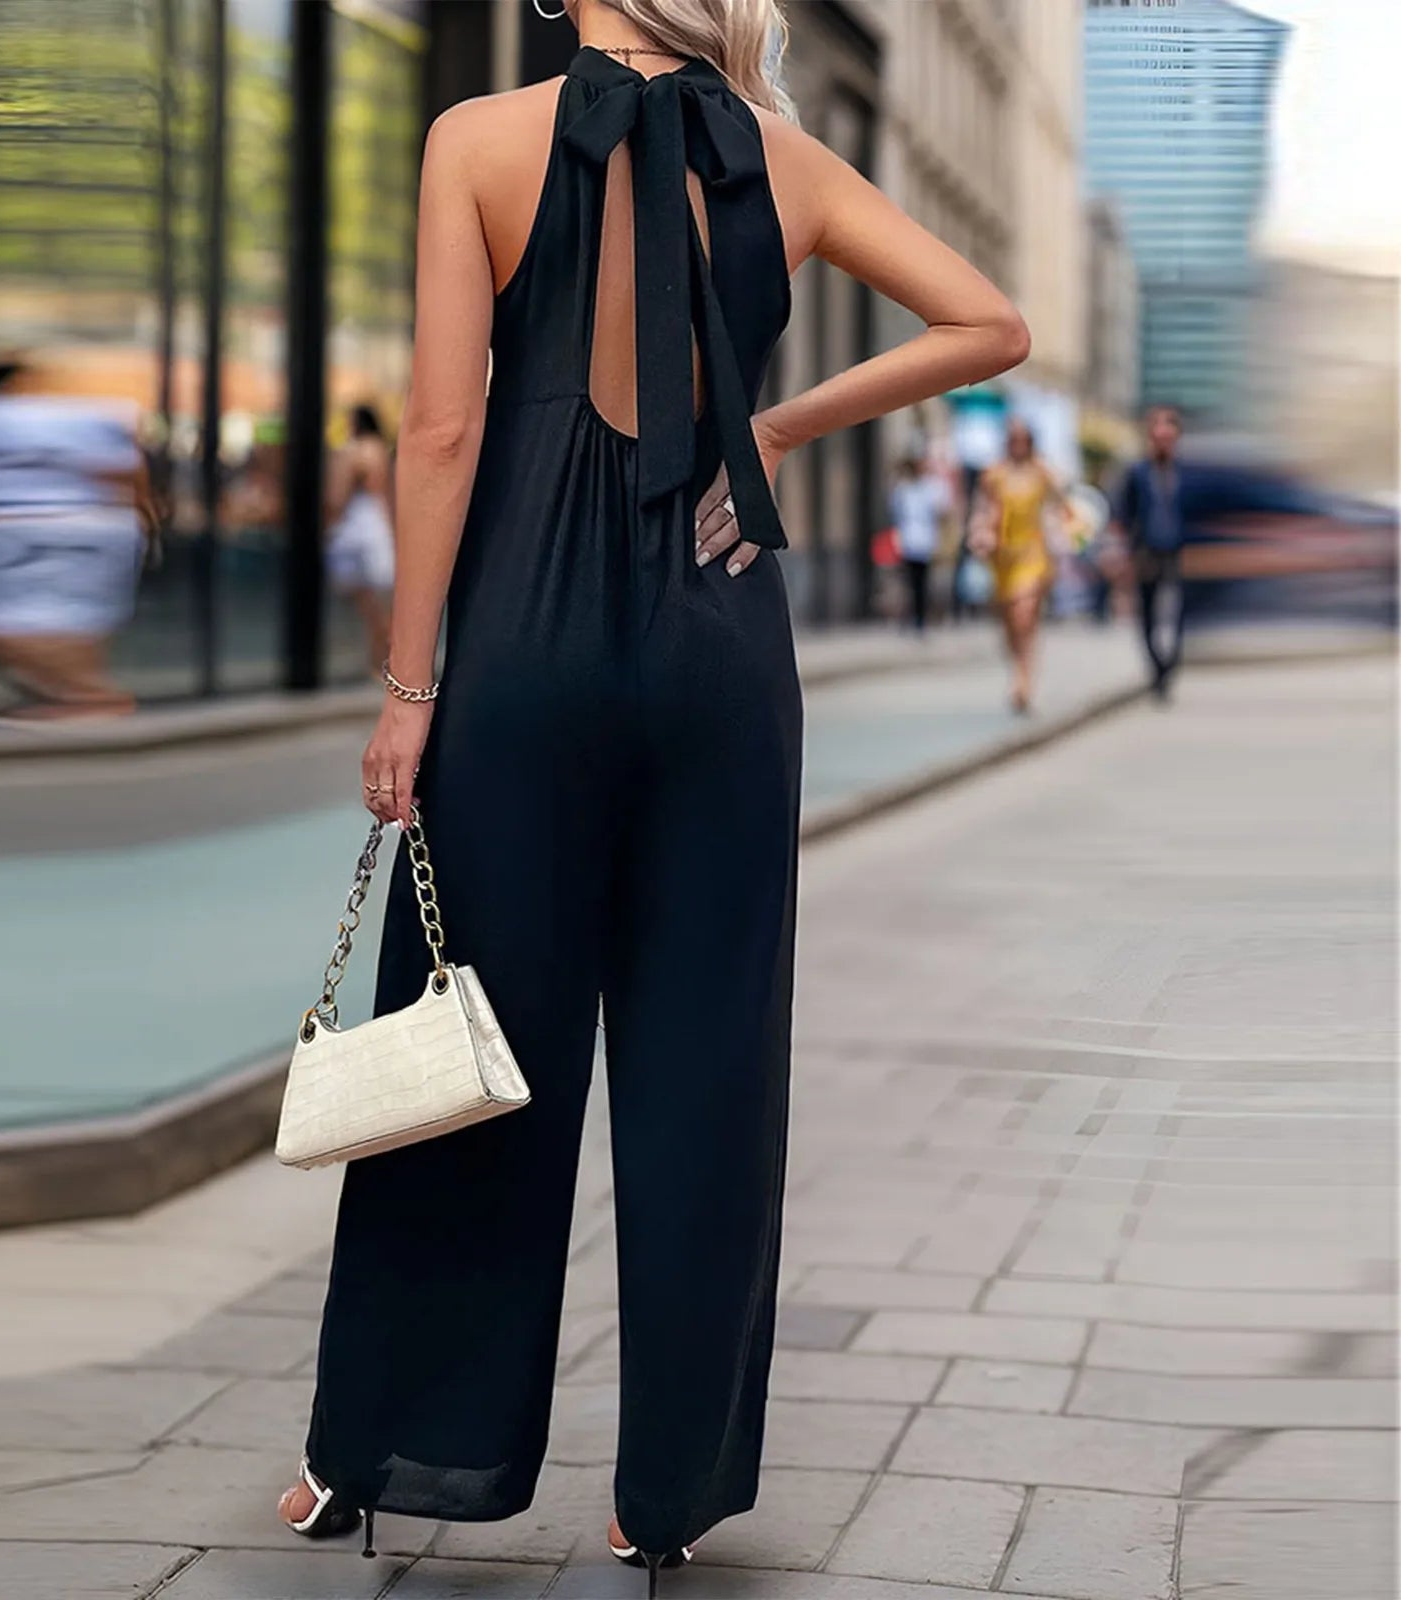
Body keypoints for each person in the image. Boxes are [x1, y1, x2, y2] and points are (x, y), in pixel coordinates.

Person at [278, 0, 1029, 1587]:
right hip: (722, 649)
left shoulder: (475, 141)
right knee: (709, 1060)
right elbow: (990, 325)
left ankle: (387, 1448)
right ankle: (668, 1495)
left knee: (470, 1039)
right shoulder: (792, 162)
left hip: (520, 651)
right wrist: (764, 425)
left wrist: (409, 688)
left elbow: (439, 430)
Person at [0, 357, 152, 721]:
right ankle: (79, 693)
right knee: (69, 620)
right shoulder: (91, 419)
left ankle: (82, 694)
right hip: (90, 525)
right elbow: (124, 475)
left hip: (8, 525)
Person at [969, 418, 1071, 714]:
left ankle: (1023, 679)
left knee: (1024, 613)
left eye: (1022, 439)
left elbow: (1062, 504)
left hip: (1033, 550)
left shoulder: (1042, 472)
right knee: (1008, 619)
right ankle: (1018, 665)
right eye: (1013, 439)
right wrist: (981, 534)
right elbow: (983, 509)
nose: (1017, 444)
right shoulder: (993, 474)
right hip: (1002, 554)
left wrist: (1064, 533)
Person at [1112, 404, 1189, 699]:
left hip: (1179, 551)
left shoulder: (1186, 474)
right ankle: (1157, 668)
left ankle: (1170, 664)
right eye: (1157, 435)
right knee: (1147, 614)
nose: (1162, 440)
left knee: (1180, 612)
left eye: (1168, 435)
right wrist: (1123, 551)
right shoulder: (1137, 472)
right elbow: (1123, 512)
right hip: (1146, 551)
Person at [326, 403, 397, 676]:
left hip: (358, 527)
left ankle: (378, 662)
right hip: (381, 525)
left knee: (368, 604)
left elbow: (336, 496)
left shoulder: (353, 452)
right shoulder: (382, 450)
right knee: (382, 603)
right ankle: (382, 660)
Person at [888, 450, 951, 634]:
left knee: (922, 582)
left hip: (925, 540)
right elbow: (895, 512)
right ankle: (909, 617)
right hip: (908, 540)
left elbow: (942, 509)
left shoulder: (929, 488)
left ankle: (921, 618)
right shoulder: (902, 489)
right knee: (909, 582)